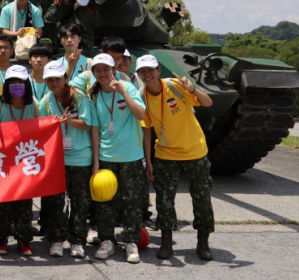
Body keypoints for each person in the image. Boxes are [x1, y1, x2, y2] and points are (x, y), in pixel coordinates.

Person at [136, 55, 214, 261]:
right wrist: (148, 160)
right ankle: (166, 242)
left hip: (194, 150)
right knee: (164, 200)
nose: (147, 74)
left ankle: (203, 241)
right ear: (138, 74)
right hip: (165, 153)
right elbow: (146, 130)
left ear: (159, 71)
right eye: (142, 71)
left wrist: (192, 89)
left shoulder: (176, 86)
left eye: (151, 69)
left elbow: (208, 102)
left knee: (202, 197)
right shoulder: (141, 95)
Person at [87, 54, 146, 264]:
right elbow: (94, 129)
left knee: (131, 201)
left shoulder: (127, 87)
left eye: (106, 69)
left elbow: (140, 115)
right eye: (98, 70)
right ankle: (107, 240)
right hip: (106, 157)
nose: (102, 74)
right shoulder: (93, 95)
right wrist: (95, 161)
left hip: (130, 156)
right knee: (105, 202)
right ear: (93, 73)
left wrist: (122, 92)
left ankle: (131, 241)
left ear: (113, 69)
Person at [38, 61, 96, 259]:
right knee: (57, 203)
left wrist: (69, 121)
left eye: (57, 78)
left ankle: (78, 241)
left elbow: (87, 124)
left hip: (80, 158)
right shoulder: (45, 102)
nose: (54, 82)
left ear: (65, 78)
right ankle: (57, 239)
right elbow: (40, 131)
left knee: (80, 203)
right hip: (57, 160)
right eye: (50, 79)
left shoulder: (79, 97)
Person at [0, 65, 38, 257]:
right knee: (1, 203)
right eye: (12, 83)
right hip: (3, 163)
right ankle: (1, 239)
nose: (16, 86)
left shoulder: (34, 104)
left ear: (26, 84)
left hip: (25, 162)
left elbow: (42, 130)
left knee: (24, 203)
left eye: (20, 82)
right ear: (6, 85)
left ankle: (24, 239)